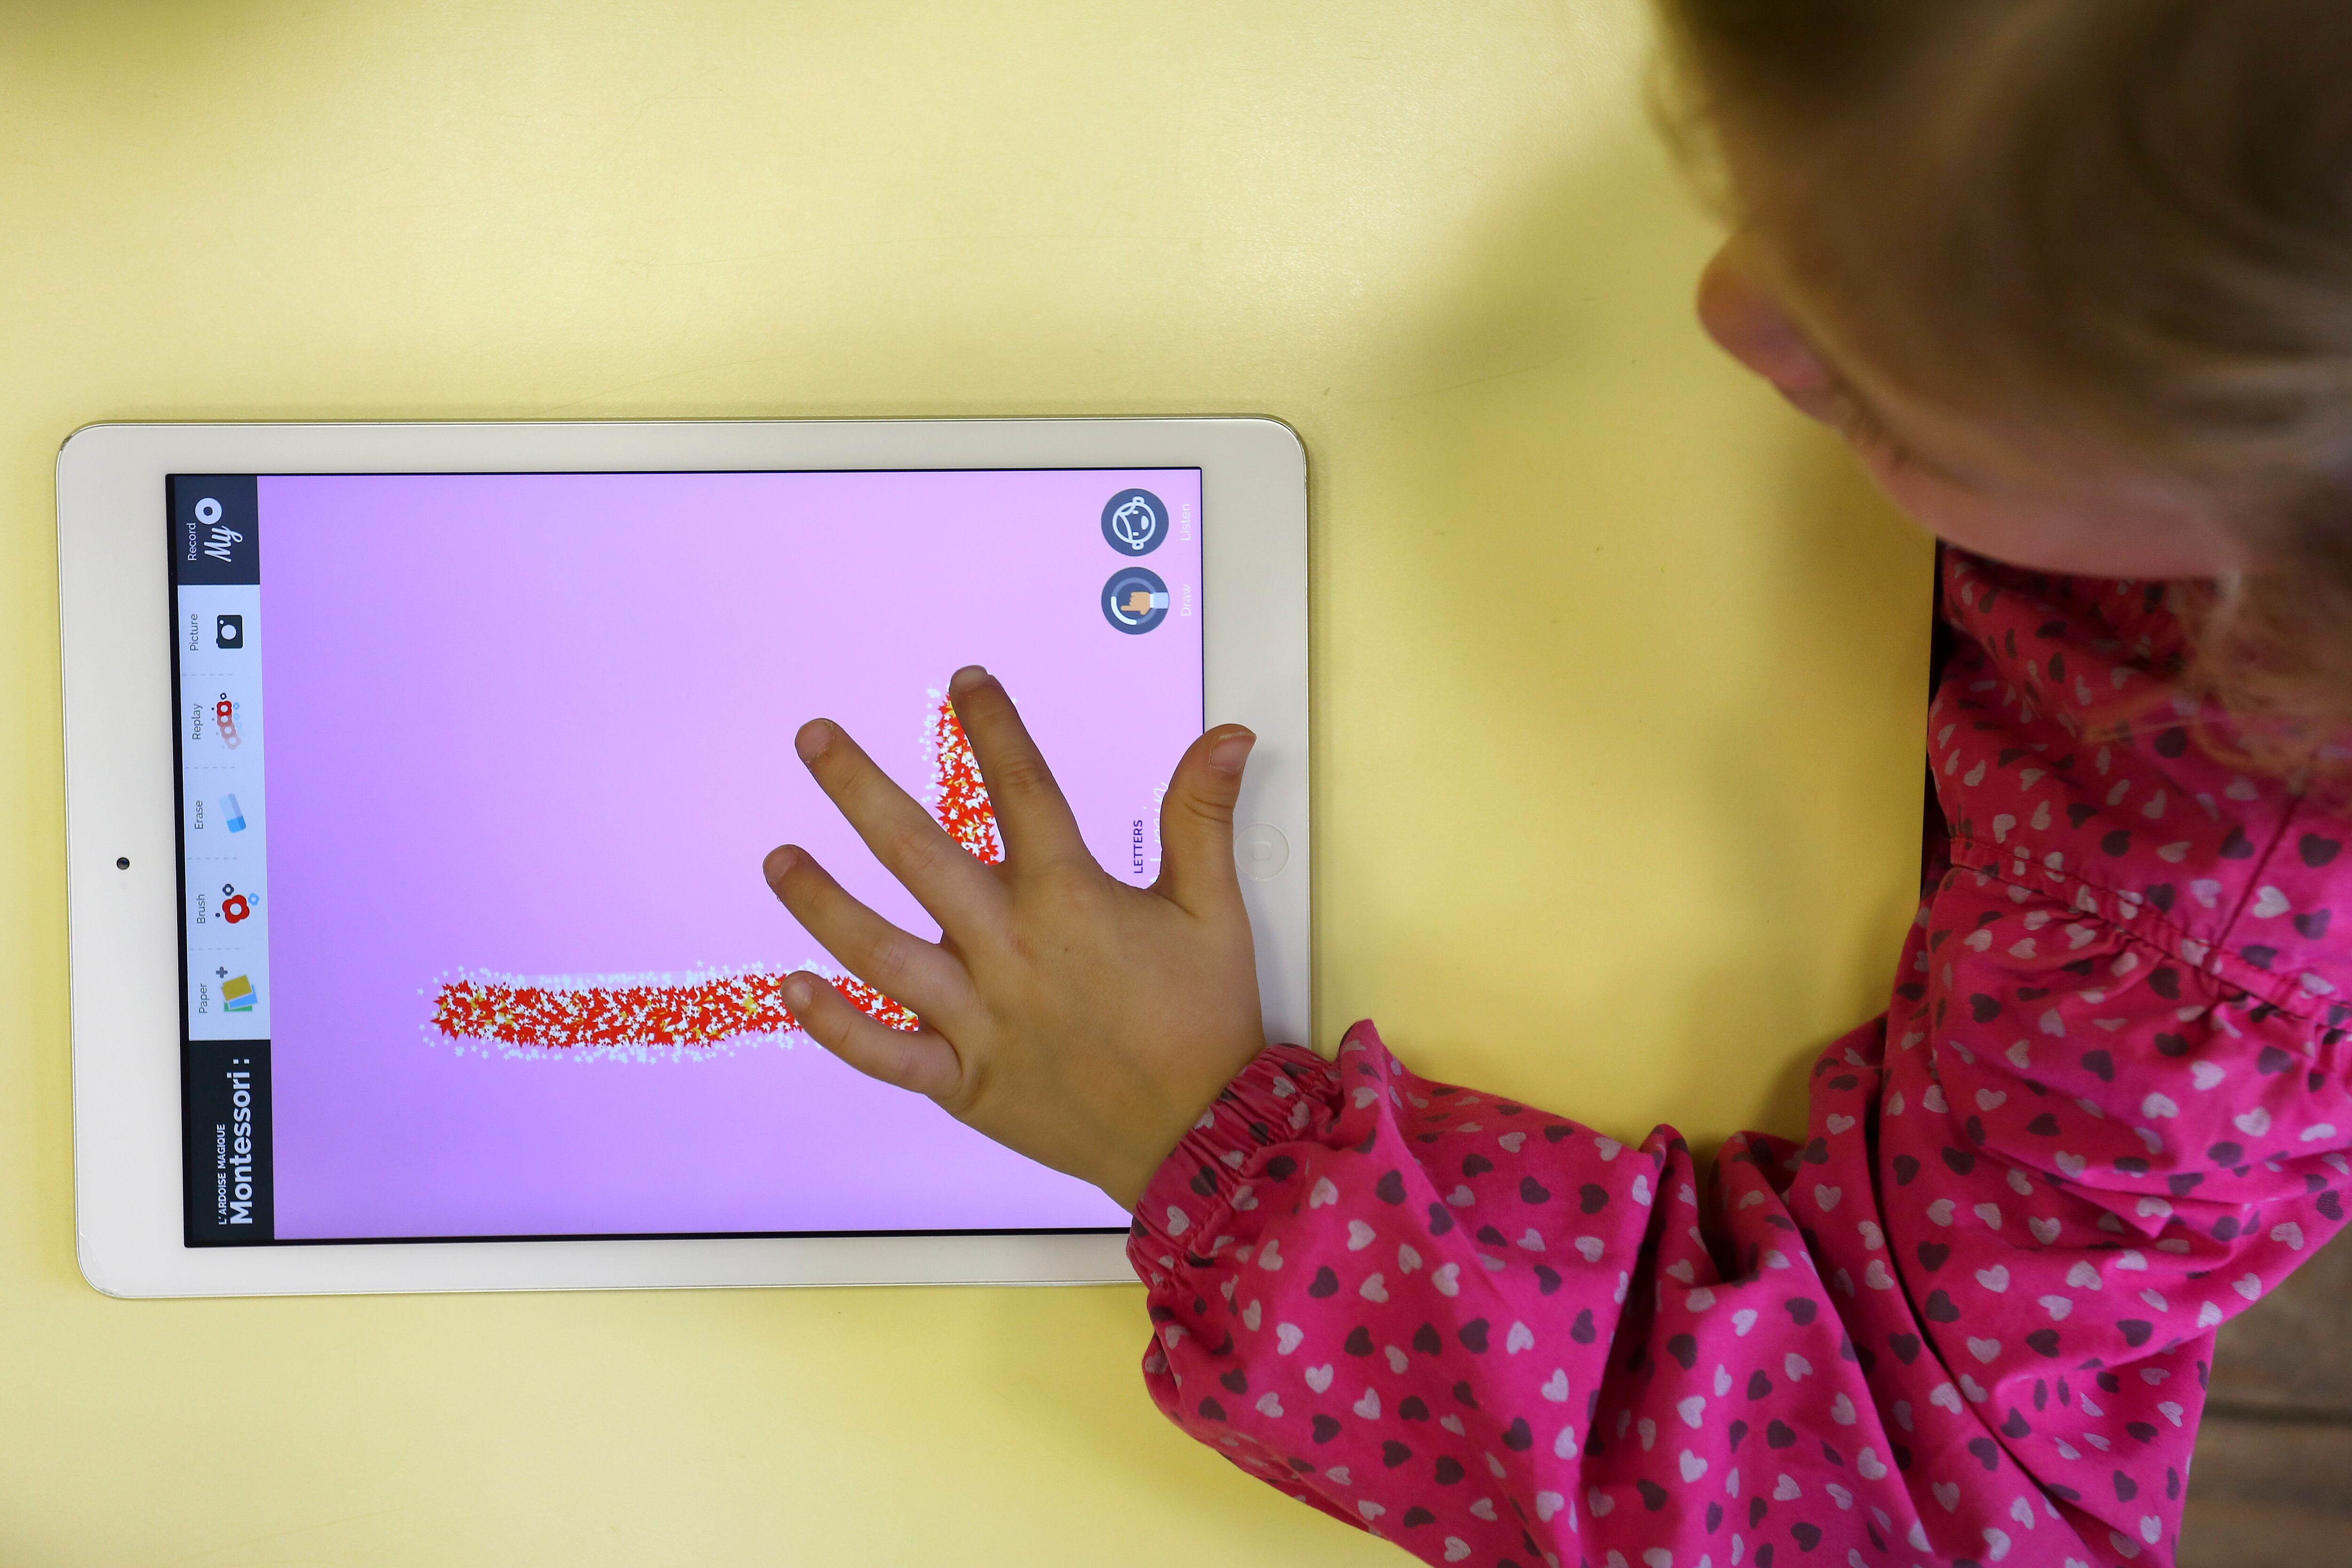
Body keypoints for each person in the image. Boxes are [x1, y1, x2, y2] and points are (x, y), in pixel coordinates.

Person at [759, 3, 2352, 1563]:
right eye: (1746, 184)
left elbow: (1911, 1503)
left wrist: (1200, 1135)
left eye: (1877, 373)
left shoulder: (2204, 959)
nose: (1730, 314)